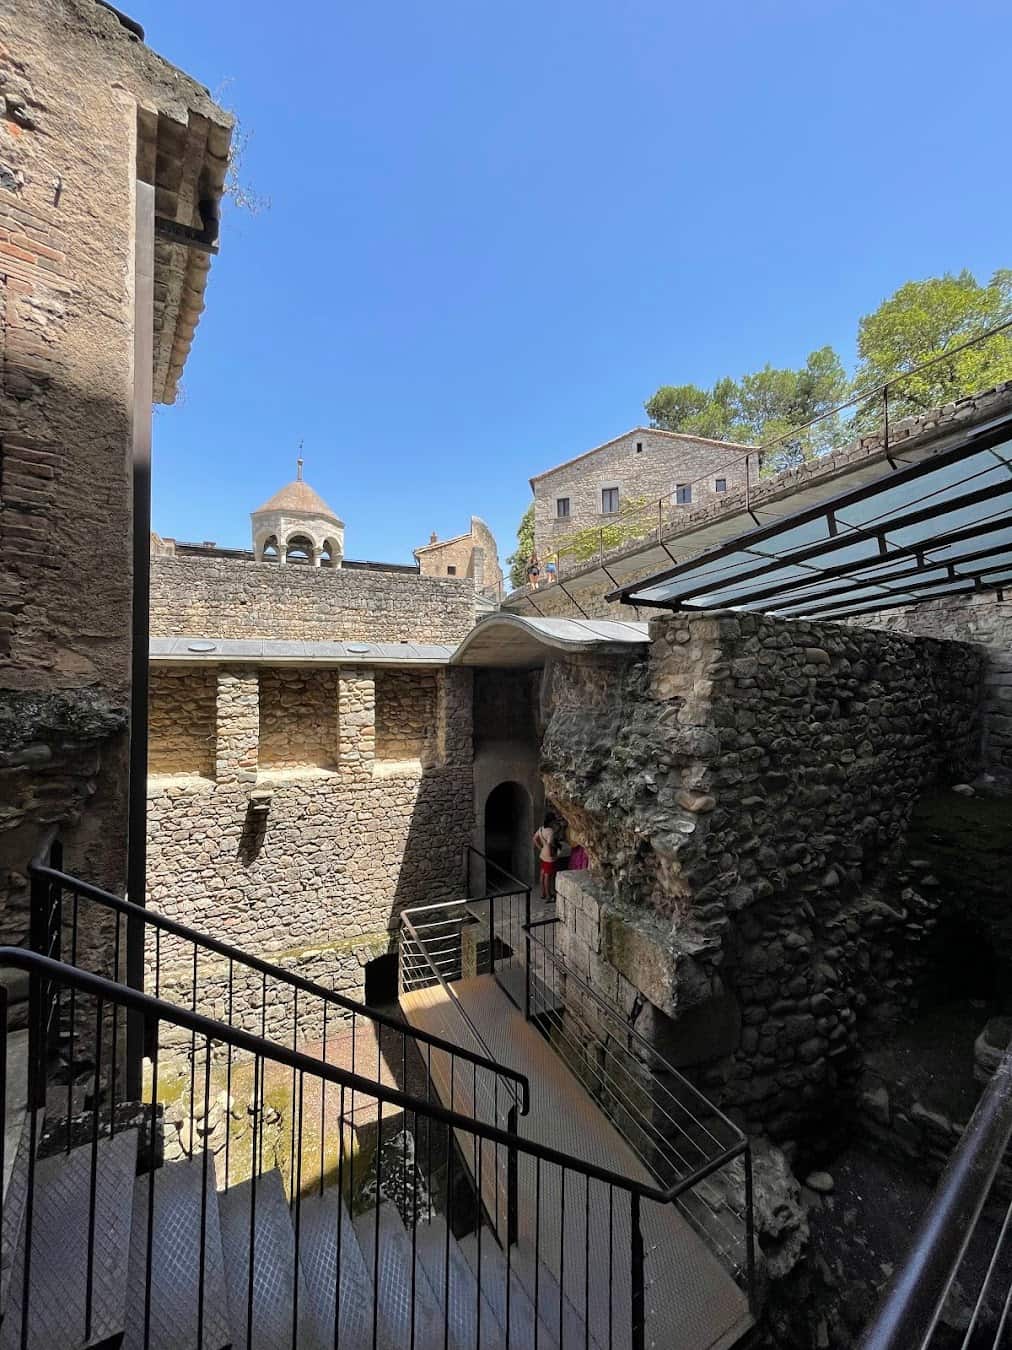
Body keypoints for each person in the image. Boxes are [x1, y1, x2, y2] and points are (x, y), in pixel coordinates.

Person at [533, 813, 558, 900]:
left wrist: (540, 847)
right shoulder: (551, 831)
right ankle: (548, 895)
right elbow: (550, 844)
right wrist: (555, 851)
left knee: (542, 873)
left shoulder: (541, 829)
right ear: (551, 821)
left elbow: (534, 839)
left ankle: (543, 893)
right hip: (549, 856)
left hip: (543, 854)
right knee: (548, 876)